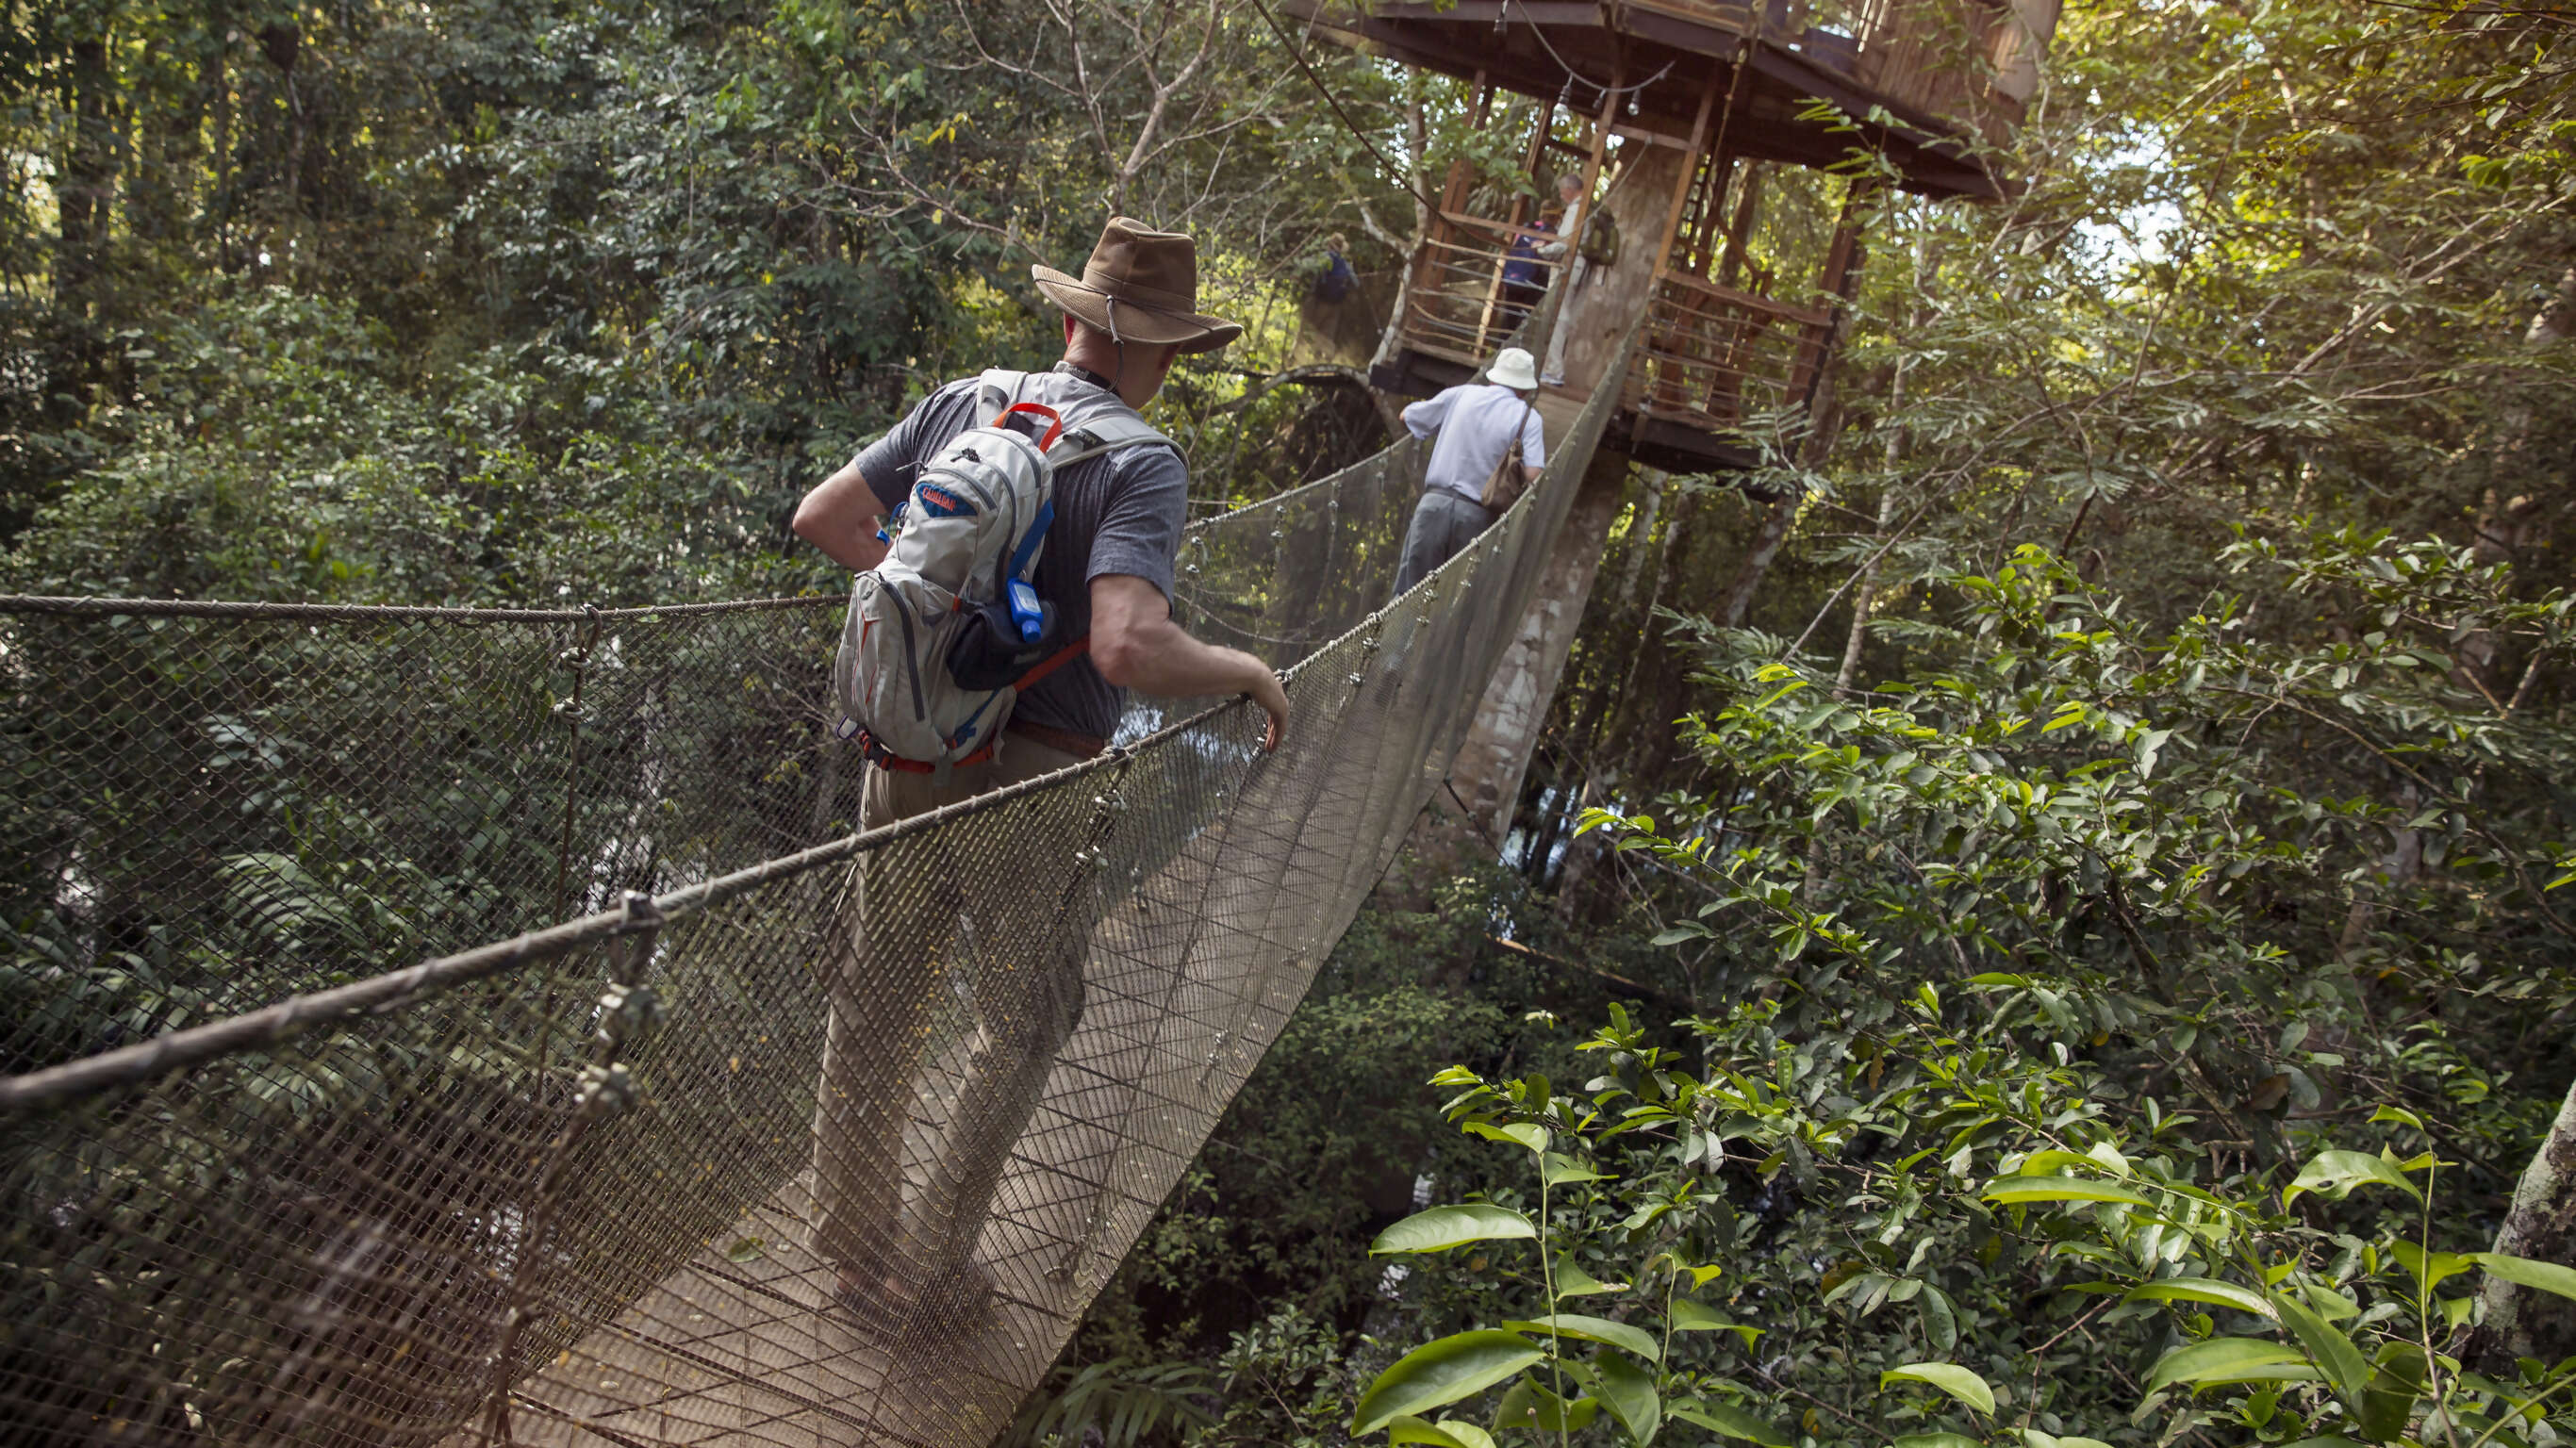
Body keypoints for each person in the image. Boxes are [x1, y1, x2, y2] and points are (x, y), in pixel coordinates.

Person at [790, 216, 1291, 1337]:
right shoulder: (1142, 462)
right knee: (1025, 1020)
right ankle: (928, 1271)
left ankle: (857, 1253)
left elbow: (825, 519)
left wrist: (939, 638)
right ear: (1162, 350)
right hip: (1032, 783)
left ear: (1071, 320)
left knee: (877, 993)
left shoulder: (966, 402)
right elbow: (1126, 646)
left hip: (909, 749)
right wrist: (1249, 673)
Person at [1391, 344, 1547, 597]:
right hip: (1477, 520)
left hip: (1434, 506)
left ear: (1494, 377)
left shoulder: (1461, 394)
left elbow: (1408, 417)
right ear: (1525, 390)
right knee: (1452, 601)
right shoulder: (1529, 419)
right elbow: (1534, 475)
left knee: (1409, 596)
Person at [1537, 171, 1593, 387]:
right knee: (1565, 315)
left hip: (1569, 267)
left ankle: (1554, 370)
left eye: (1562, 192)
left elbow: (1565, 243)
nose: (1561, 197)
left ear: (1569, 190)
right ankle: (1554, 368)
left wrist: (1541, 250)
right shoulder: (1589, 208)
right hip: (1582, 268)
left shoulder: (1576, 209)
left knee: (1558, 316)